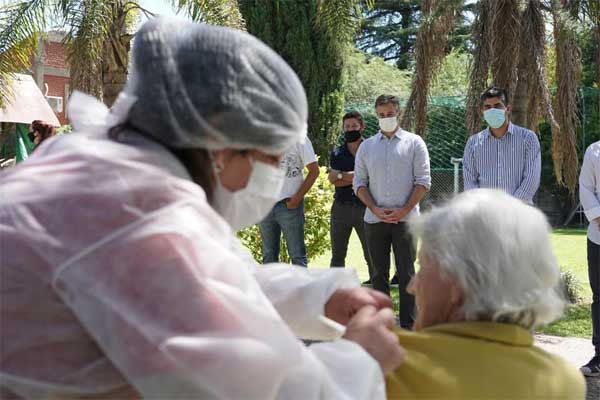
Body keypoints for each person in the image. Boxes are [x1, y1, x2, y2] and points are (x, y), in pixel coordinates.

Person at [0, 18, 406, 400]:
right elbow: (258, 389)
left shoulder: (107, 167)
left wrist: (319, 298)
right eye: (268, 158)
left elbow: (215, 274)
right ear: (219, 136)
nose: (267, 177)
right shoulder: (137, 214)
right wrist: (362, 358)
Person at [386, 189, 586, 399]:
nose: (411, 286)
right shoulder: (565, 380)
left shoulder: (391, 367)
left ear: (458, 279)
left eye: (422, 268)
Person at [353, 94, 431, 329]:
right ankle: (382, 324)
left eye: (389, 114)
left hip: (406, 220)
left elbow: (423, 181)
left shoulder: (414, 143)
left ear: (399, 113)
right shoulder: (367, 147)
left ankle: (409, 325)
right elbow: (359, 183)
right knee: (378, 274)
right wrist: (374, 208)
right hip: (374, 220)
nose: (385, 118)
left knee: (407, 273)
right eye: (381, 115)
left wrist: (404, 209)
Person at [463, 86, 541, 203]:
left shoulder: (528, 139)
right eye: (487, 107)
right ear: (482, 111)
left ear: (508, 109)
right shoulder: (472, 143)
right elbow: (470, 182)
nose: (492, 110)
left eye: (497, 106)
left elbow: (531, 179)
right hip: (484, 210)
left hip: (520, 210)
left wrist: (509, 207)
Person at [258, 136, 319, 267]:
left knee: (297, 257)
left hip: (289, 205)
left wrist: (296, 199)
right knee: (268, 257)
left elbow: (314, 171)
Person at [328, 111, 373, 276]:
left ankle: (377, 285)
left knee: (371, 253)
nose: (350, 129)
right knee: (337, 255)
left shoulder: (372, 149)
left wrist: (341, 175)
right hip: (341, 208)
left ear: (362, 127)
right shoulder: (337, 153)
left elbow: (372, 177)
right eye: (347, 127)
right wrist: (359, 177)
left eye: (354, 126)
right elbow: (333, 179)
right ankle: (336, 286)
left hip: (366, 207)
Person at [578, 141, 600, 376]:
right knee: (599, 296)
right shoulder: (594, 151)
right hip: (598, 235)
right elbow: (586, 188)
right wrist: (598, 217)